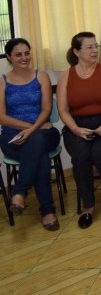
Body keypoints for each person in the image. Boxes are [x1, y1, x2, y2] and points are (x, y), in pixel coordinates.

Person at [57, 32, 101, 228]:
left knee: (100, 153)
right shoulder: (66, 76)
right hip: (78, 125)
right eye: (89, 47)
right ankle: (88, 206)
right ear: (76, 51)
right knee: (80, 156)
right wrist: (75, 129)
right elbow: (62, 109)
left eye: (95, 46)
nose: (95, 50)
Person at [0, 38, 61, 230]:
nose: (24, 57)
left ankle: (20, 191)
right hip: (12, 137)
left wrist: (33, 130)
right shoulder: (2, 81)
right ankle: (47, 211)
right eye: (18, 54)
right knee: (39, 156)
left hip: (45, 133)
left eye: (27, 53)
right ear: (9, 57)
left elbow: (46, 109)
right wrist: (30, 127)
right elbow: (2, 117)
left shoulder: (40, 75)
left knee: (37, 142)